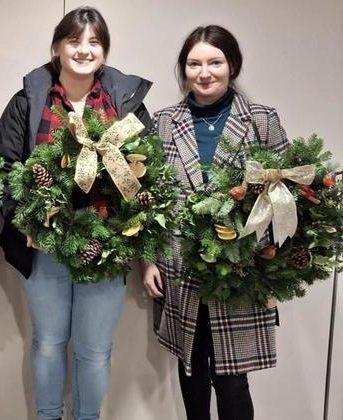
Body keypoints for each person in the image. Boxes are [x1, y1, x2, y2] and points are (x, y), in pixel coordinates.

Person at [0, 7, 152, 420]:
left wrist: (135, 237)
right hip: (42, 245)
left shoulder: (125, 102)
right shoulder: (29, 100)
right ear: (57, 47)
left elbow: (149, 170)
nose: (84, 50)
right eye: (74, 41)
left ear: (105, 51)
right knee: (47, 342)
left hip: (106, 248)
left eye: (94, 42)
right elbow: (3, 166)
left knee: (95, 352)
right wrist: (24, 217)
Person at [142, 25, 287, 420]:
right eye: (194, 63)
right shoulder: (165, 121)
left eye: (215, 62)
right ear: (183, 69)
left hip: (240, 265)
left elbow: (290, 195)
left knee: (232, 378)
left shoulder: (261, 120)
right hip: (179, 263)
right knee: (191, 367)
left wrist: (275, 258)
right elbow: (148, 197)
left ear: (232, 65)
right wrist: (149, 260)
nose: (204, 72)